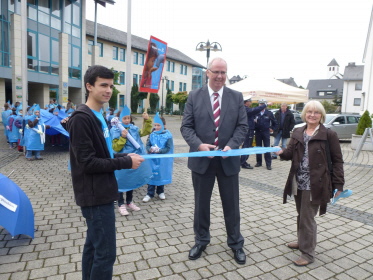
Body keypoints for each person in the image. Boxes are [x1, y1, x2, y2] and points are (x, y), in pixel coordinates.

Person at [66, 65, 144, 280]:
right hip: (94, 195)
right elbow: (88, 164)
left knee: (93, 247)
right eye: (103, 85)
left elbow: (105, 155)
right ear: (89, 86)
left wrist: (125, 158)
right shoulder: (82, 118)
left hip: (103, 190)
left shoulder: (100, 116)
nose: (109, 90)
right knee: (106, 254)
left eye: (111, 85)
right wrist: (125, 162)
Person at [180, 57, 248, 265]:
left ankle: (236, 244)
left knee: (232, 205)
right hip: (202, 161)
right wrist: (199, 145)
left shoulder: (236, 97)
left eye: (223, 72)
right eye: (216, 72)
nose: (219, 76)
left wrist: (232, 146)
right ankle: (201, 241)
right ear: (207, 73)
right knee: (201, 205)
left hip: (228, 160)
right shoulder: (194, 96)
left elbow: (242, 127)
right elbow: (186, 127)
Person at [274, 100, 344, 266]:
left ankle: (307, 254)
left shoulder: (329, 134)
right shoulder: (298, 131)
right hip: (298, 180)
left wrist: (338, 185)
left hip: (316, 182)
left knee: (307, 218)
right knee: (302, 214)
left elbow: (338, 161)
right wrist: (281, 152)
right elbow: (289, 153)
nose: (312, 115)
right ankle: (301, 240)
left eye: (316, 112)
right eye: (309, 112)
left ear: (321, 115)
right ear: (304, 114)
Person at [110, 106, 152, 216]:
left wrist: (147, 120)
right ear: (119, 119)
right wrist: (123, 137)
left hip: (133, 158)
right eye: (125, 118)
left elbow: (145, 131)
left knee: (131, 180)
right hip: (122, 159)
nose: (127, 120)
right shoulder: (115, 130)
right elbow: (116, 147)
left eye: (129, 118)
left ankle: (129, 202)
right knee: (120, 181)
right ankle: (120, 204)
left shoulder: (134, 128)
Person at [143, 114, 174, 202]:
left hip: (162, 159)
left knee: (161, 174)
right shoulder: (152, 134)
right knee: (152, 174)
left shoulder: (168, 135)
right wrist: (150, 149)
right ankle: (149, 193)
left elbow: (168, 148)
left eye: (158, 125)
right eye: (155, 125)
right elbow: (148, 145)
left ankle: (160, 191)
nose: (156, 127)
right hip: (152, 159)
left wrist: (159, 151)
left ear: (164, 126)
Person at [240, 98, 272, 169]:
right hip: (249, 130)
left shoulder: (269, 113)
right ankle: (243, 162)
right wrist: (266, 104)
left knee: (247, 146)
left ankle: (242, 161)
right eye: (250, 101)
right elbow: (255, 110)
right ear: (246, 102)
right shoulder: (245, 109)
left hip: (257, 131)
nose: (251, 102)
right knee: (246, 146)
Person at [254, 99, 277, 170]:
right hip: (258, 132)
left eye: (262, 104)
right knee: (258, 148)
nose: (261, 105)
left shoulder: (269, 113)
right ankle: (259, 162)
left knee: (267, 148)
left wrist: (272, 128)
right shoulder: (256, 113)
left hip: (266, 132)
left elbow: (275, 123)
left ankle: (268, 164)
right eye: (260, 104)